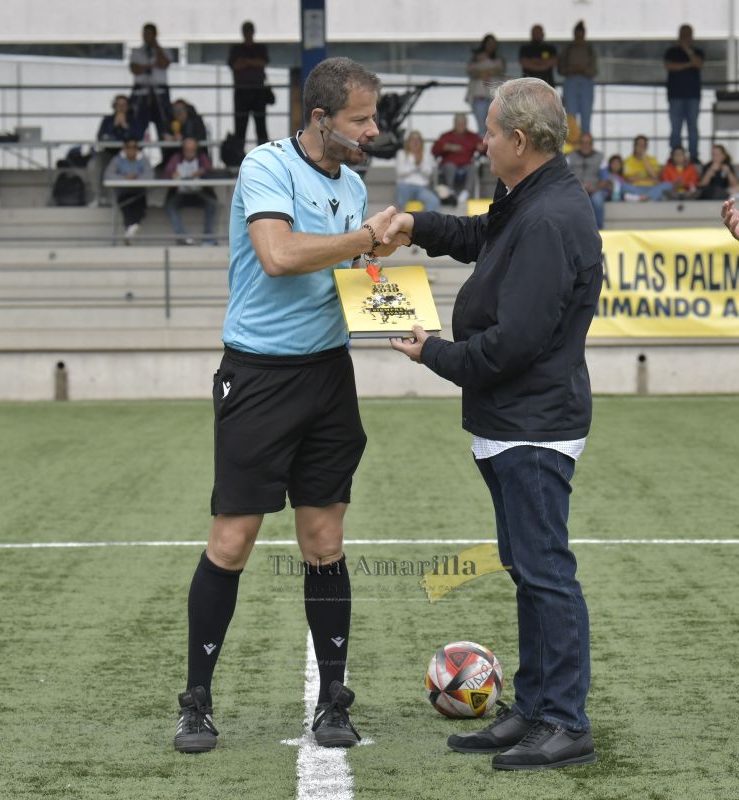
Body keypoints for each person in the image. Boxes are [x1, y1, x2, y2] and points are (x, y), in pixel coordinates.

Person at [172, 56, 398, 754]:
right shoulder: (264, 168)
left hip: (329, 377)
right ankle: (197, 701)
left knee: (324, 542)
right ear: (321, 118)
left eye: (374, 118)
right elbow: (278, 254)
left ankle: (334, 699)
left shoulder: (355, 183)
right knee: (233, 542)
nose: (372, 130)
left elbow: (354, 275)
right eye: (361, 119)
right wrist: (365, 239)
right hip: (259, 378)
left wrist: (396, 307)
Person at [383, 77, 601, 772]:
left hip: (533, 424)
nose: (480, 140)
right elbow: (478, 234)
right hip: (517, 422)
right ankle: (536, 710)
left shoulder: (548, 217)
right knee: (527, 569)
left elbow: (515, 344)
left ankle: (565, 721)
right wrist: (415, 225)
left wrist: (432, 352)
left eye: (489, 130)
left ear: (520, 140)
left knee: (545, 574)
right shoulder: (530, 198)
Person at [163, 137, 217, 245]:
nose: (189, 153)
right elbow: (167, 172)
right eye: (187, 150)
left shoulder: (202, 158)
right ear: (183, 150)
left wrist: (200, 172)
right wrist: (173, 174)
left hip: (199, 193)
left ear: (196, 150)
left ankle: (208, 237)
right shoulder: (176, 158)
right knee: (170, 205)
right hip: (181, 193)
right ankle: (182, 236)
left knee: (211, 204)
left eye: (192, 150)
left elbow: (208, 168)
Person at [664, 24, 704, 164]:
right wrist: (688, 65)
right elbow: (670, 66)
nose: (686, 37)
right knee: (675, 127)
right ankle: (676, 154)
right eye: (684, 34)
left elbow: (698, 64)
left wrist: (688, 51)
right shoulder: (672, 51)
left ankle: (693, 155)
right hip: (675, 95)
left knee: (693, 126)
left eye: (689, 34)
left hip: (693, 96)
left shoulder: (697, 51)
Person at [228, 21, 270, 150]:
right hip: (242, 91)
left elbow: (262, 62)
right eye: (246, 31)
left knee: (261, 126)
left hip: (258, 91)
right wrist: (253, 62)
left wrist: (245, 61)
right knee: (240, 126)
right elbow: (235, 66)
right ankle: (238, 155)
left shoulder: (260, 47)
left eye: (249, 30)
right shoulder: (236, 48)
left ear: (253, 32)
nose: (248, 34)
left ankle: (265, 155)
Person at [129, 22, 173, 141]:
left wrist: (156, 48)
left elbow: (164, 64)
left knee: (163, 122)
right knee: (137, 121)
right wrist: (150, 66)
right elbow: (134, 69)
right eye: (145, 34)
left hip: (159, 89)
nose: (146, 36)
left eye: (149, 34)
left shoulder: (164, 51)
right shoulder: (137, 52)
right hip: (141, 89)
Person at [103, 139, 153, 242]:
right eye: (129, 147)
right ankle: (131, 227)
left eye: (134, 147)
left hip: (139, 192)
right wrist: (125, 178)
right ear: (124, 149)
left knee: (139, 205)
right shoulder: (117, 160)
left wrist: (136, 178)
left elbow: (150, 175)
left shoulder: (143, 160)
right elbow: (108, 175)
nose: (131, 150)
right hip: (123, 192)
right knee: (126, 204)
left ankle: (130, 229)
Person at [431, 113, 487, 205]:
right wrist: (446, 147)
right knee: (450, 165)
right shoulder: (446, 136)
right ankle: (450, 191)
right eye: (458, 123)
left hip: (466, 165)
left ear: (466, 124)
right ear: (454, 124)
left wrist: (482, 148)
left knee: (472, 167)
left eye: (463, 123)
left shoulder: (472, 136)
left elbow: (484, 151)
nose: (460, 126)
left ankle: (466, 192)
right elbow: (434, 151)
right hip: (449, 166)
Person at [558, 21, 598, 135]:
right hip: (571, 82)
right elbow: (561, 68)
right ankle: (572, 141)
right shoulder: (568, 48)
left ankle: (586, 140)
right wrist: (572, 69)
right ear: (574, 34)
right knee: (571, 115)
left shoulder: (589, 48)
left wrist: (583, 70)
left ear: (584, 34)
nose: (579, 37)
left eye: (581, 35)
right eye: (577, 35)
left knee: (586, 115)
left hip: (586, 82)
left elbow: (594, 69)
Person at [466, 34, 506, 136]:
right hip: (480, 96)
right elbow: (470, 71)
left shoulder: (499, 59)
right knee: (481, 127)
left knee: (494, 126)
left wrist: (486, 72)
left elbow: (499, 70)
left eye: (493, 44)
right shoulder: (475, 58)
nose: (491, 46)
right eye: (489, 43)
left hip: (494, 97)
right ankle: (483, 149)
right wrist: (482, 73)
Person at [567, 133, 607, 228]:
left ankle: (599, 230)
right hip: (574, 190)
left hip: (595, 190)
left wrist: (594, 189)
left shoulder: (600, 157)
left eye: (589, 143)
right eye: (583, 143)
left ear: (592, 144)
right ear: (579, 144)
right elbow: (563, 176)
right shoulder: (569, 157)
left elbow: (604, 179)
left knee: (597, 200)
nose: (586, 145)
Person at [395, 130, 440, 212]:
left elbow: (428, 173)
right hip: (406, 186)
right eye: (412, 139)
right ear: (408, 142)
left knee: (434, 201)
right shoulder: (401, 153)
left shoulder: (427, 155)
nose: (415, 142)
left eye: (418, 140)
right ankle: (401, 216)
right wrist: (415, 165)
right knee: (402, 189)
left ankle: (426, 221)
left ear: (421, 142)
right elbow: (400, 172)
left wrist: (420, 165)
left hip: (422, 187)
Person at [623, 135, 673, 200]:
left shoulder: (652, 159)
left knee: (668, 185)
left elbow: (655, 176)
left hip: (652, 187)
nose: (641, 147)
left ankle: (641, 197)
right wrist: (648, 177)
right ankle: (649, 197)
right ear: (635, 146)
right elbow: (629, 179)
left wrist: (645, 159)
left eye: (644, 145)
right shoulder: (628, 160)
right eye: (639, 145)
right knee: (623, 186)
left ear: (647, 147)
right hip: (636, 187)